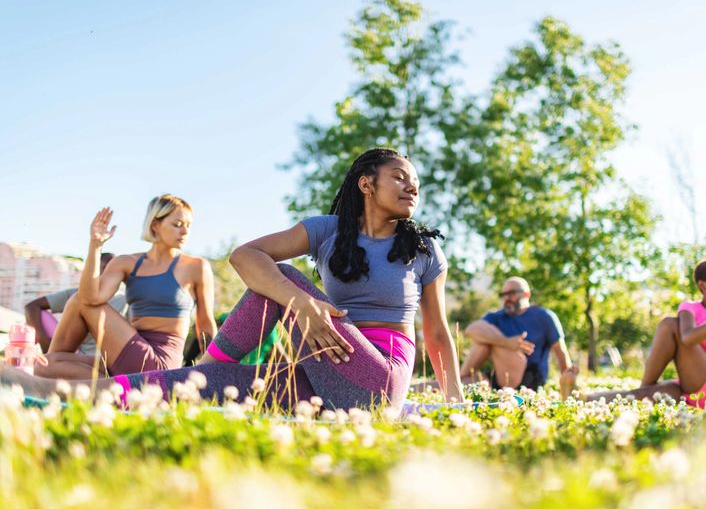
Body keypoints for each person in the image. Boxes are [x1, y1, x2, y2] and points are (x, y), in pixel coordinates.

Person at [1, 149, 464, 411]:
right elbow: (245, 256)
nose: (412, 188)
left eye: (415, 184)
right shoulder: (326, 231)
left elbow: (438, 332)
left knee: (282, 278)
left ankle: (195, 370)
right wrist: (297, 302)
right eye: (400, 177)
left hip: (379, 377)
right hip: (323, 372)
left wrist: (454, 399)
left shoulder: (422, 249)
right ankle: (50, 390)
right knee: (221, 377)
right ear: (367, 184)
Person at [31, 195, 216, 380]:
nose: (185, 231)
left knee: (78, 302)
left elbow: (205, 324)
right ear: (155, 225)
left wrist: (214, 373)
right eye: (177, 224)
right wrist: (95, 244)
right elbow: (91, 298)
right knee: (44, 366)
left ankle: (118, 386)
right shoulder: (127, 262)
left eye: (188, 225)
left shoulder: (196, 266)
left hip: (161, 362)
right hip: (130, 353)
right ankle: (118, 387)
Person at [586, 259, 706, 408]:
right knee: (641, 394)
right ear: (702, 285)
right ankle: (583, 399)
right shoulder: (690, 308)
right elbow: (687, 337)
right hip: (690, 385)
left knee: (671, 324)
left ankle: (645, 386)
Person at [460, 276, 578, 398]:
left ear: (526, 294)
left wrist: (569, 386)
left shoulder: (544, 317)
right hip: (501, 375)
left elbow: (561, 352)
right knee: (483, 341)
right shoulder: (498, 316)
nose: (507, 298)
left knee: (487, 338)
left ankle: (457, 383)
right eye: (504, 294)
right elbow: (471, 330)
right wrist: (507, 342)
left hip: (531, 378)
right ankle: (456, 382)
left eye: (512, 293)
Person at [25, 252, 128, 355]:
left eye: (114, 270)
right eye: (105, 267)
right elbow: (31, 307)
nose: (109, 273)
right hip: (74, 354)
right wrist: (44, 339)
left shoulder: (125, 301)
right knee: (39, 316)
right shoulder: (75, 294)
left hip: (107, 360)